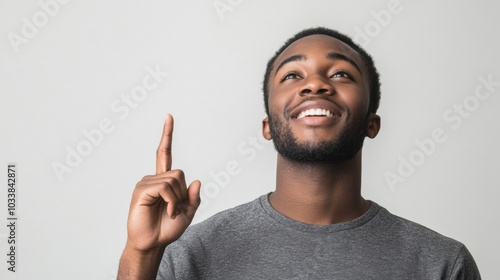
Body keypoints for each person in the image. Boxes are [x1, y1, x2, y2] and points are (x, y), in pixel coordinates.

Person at [118, 27, 481, 279]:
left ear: (372, 123)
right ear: (268, 126)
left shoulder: (441, 264)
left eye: (341, 74)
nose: (315, 84)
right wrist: (141, 254)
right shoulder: (187, 255)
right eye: (292, 75)